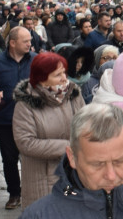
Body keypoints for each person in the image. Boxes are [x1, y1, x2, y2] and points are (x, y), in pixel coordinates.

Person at [12, 52, 85, 209]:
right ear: (41, 78)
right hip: (42, 179)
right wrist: (69, 147)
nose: (64, 78)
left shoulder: (73, 96)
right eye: (57, 75)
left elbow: (86, 126)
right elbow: (26, 143)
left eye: (64, 72)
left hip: (75, 175)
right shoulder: (25, 105)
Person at [0, 26, 35, 210]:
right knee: (9, 159)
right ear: (12, 43)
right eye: (25, 41)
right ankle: (14, 193)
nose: (30, 43)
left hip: (32, 119)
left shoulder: (35, 61)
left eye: (30, 40)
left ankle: (32, 192)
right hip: (6, 119)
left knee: (31, 158)